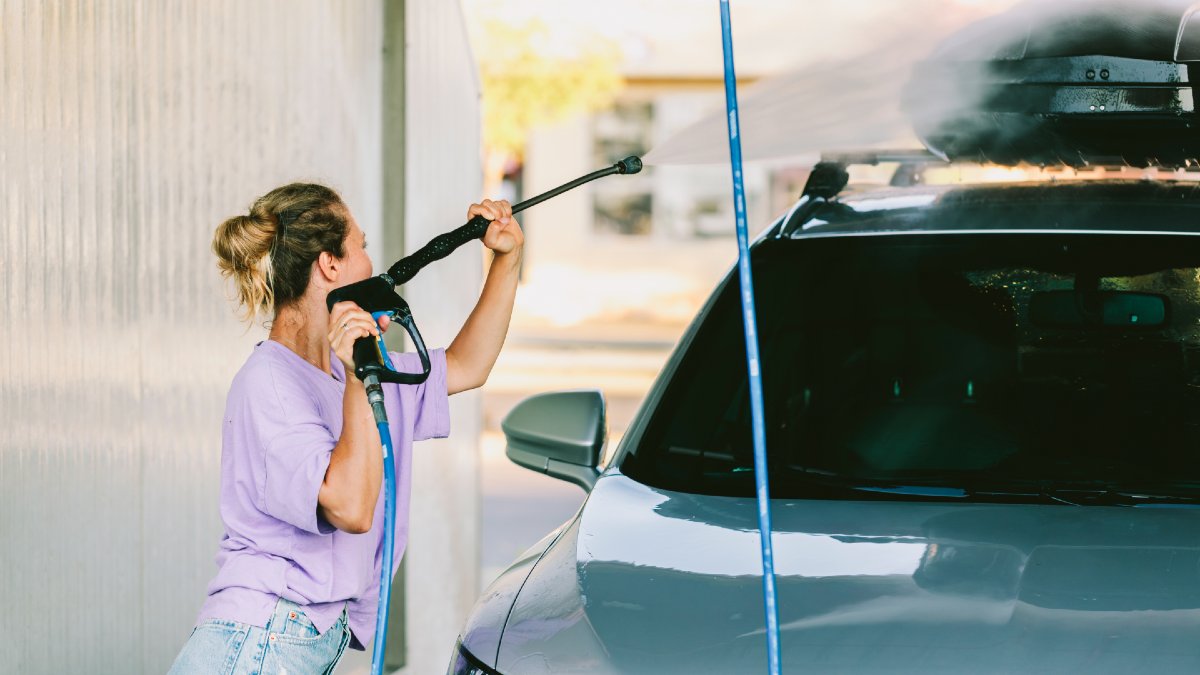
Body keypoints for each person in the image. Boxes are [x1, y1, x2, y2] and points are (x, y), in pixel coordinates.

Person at [168, 183, 522, 674]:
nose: (370, 262)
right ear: (330, 265)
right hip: (260, 641)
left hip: (292, 641)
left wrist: (507, 259)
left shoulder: (349, 371)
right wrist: (359, 376)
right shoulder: (270, 384)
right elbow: (351, 507)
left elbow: (466, 365)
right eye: (362, 246)